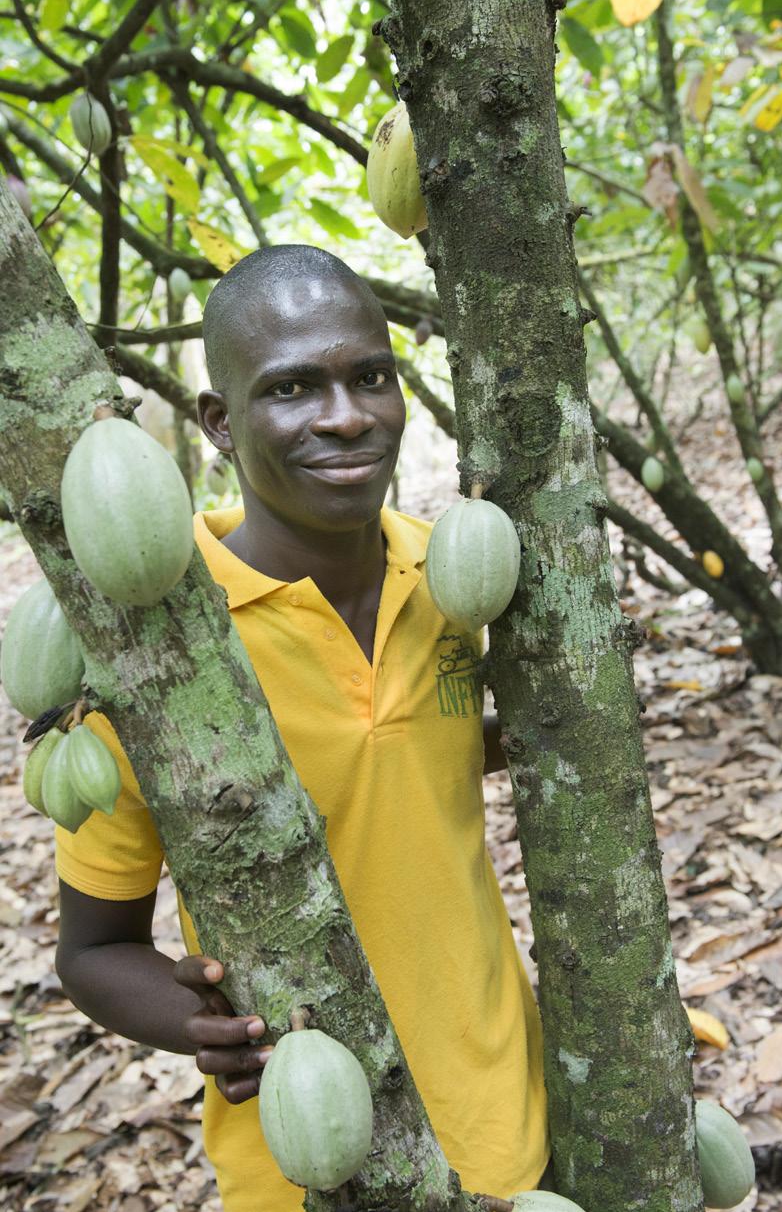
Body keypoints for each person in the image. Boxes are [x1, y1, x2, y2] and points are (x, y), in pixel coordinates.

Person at [53, 245, 552, 1211]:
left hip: (506, 1120)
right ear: (220, 422)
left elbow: (414, 761)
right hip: (313, 1162)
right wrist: (203, 1026)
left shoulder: (458, 579)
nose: (346, 414)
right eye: (291, 387)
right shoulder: (155, 657)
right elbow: (92, 950)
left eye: (371, 376)